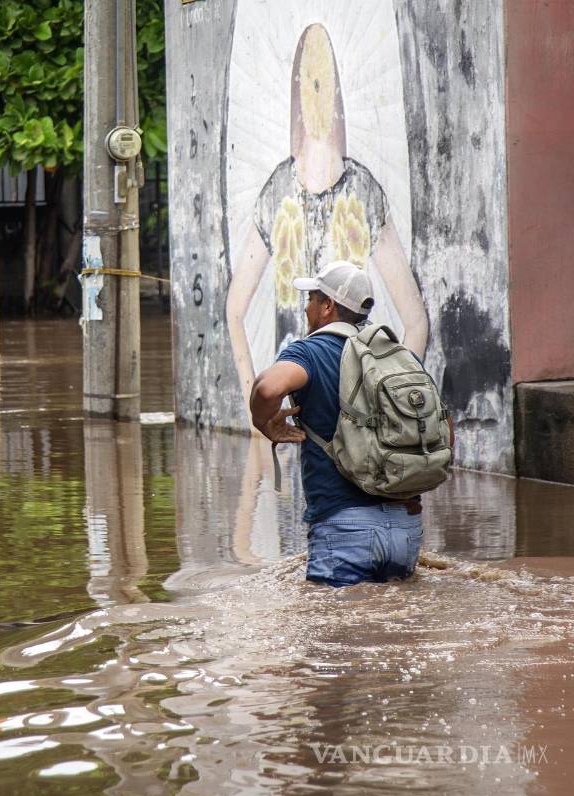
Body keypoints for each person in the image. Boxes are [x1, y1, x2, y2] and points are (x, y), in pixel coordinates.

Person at [226, 23, 428, 410]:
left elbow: (416, 320)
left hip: (321, 402)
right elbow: (235, 311)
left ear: (326, 307)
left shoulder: (359, 190)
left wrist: (259, 416)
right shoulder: (282, 188)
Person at [248, 260, 453, 587]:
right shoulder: (398, 356)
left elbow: (268, 388)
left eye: (312, 299)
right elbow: (444, 429)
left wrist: (264, 423)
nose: (307, 308)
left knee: (333, 633)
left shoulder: (311, 352)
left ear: (327, 306)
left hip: (343, 529)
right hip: (407, 528)